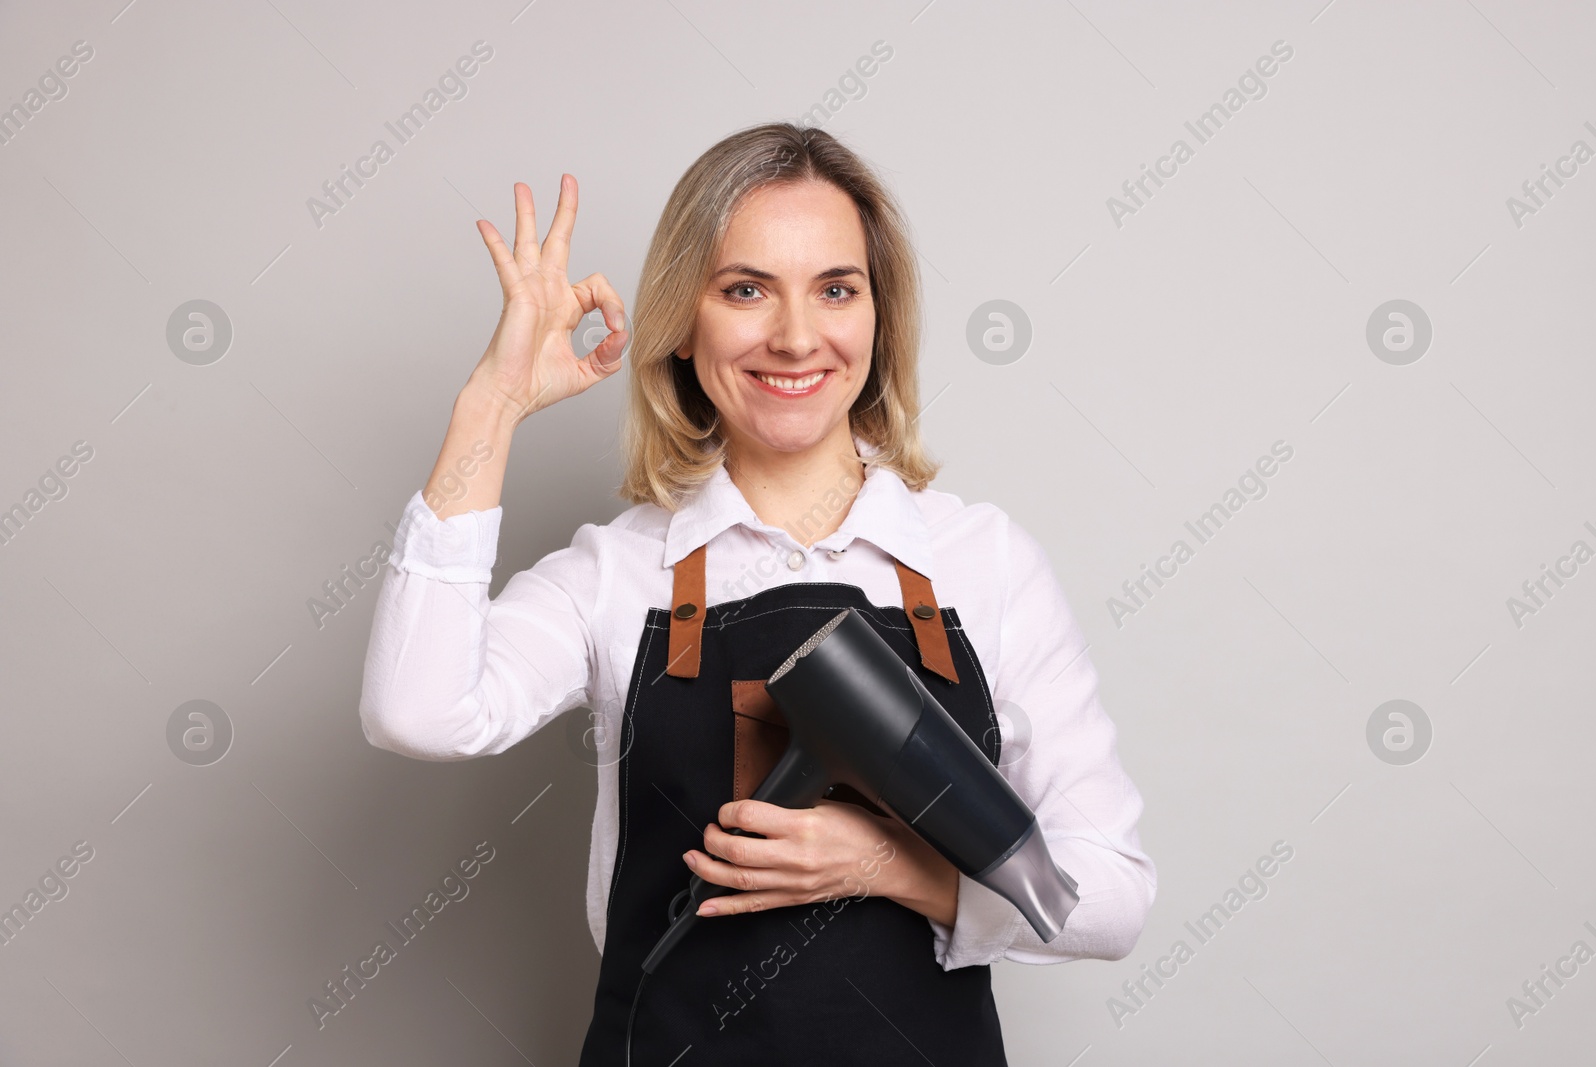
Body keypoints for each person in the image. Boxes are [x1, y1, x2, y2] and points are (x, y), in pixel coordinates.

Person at [359, 121, 1156, 1065]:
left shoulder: (983, 562)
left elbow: (1108, 898)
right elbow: (416, 712)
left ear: (877, 319)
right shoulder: (619, 573)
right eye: (746, 290)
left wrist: (891, 867)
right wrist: (490, 405)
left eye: (835, 289)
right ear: (683, 326)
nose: (795, 336)